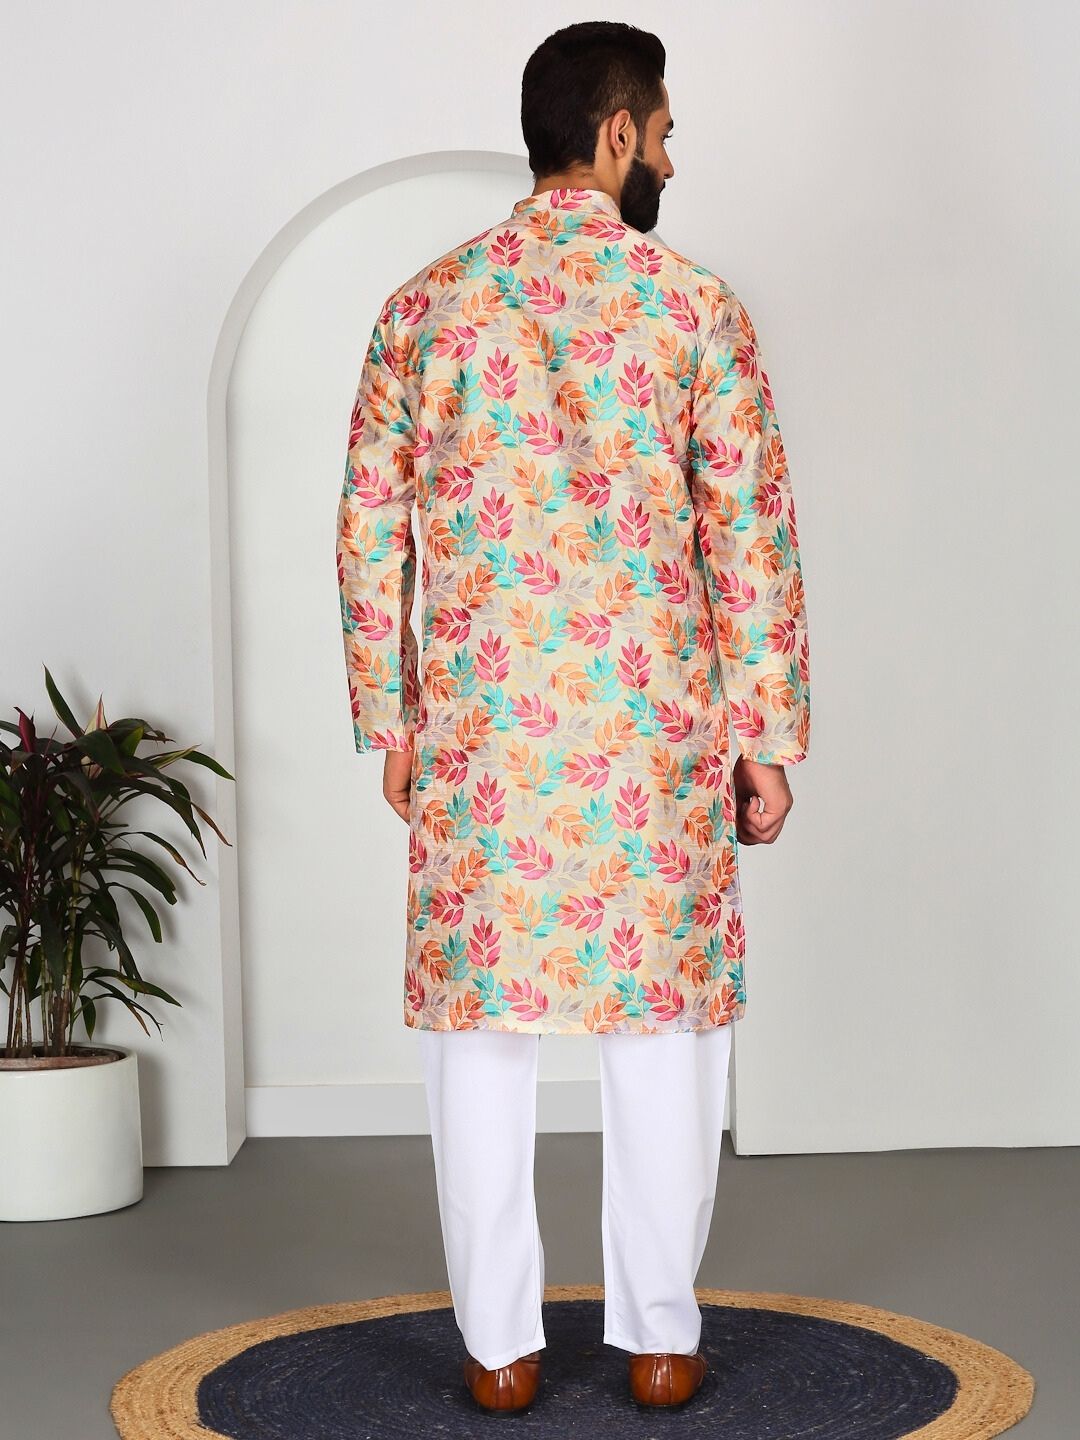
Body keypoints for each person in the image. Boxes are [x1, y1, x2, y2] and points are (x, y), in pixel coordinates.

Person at [335, 19, 811, 1415]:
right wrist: (766, 735)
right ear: (614, 135)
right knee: (665, 1031)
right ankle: (659, 1339)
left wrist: (391, 720)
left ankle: (499, 1351)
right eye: (662, 132)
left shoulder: (424, 308)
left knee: (478, 1038)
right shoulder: (693, 308)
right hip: (654, 732)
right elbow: (751, 538)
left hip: (483, 734)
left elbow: (367, 531)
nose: (669, 156)